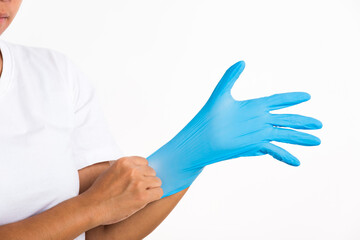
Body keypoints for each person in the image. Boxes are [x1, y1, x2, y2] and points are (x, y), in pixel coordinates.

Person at [0, 1, 322, 239]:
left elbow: (104, 232)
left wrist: (190, 155)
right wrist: (92, 207)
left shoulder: (53, 73)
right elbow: (96, 209)